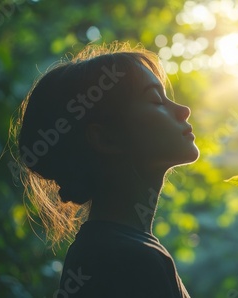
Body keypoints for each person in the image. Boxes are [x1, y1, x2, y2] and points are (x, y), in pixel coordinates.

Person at [12, 42, 199, 297]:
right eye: (156, 99)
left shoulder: (108, 248)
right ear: (106, 139)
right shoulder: (129, 258)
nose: (183, 110)